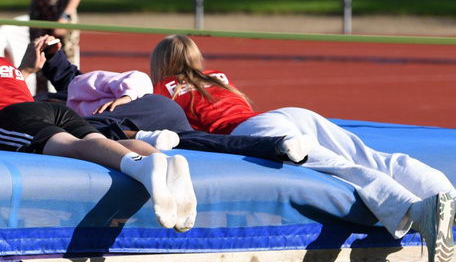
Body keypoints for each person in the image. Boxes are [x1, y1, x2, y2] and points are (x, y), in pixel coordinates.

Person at [150, 34, 456, 262]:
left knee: (341, 169)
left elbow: (170, 123)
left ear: (161, 65)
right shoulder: (216, 76)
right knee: (370, 156)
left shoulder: (165, 89)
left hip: (250, 132)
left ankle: (417, 212)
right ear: (196, 57)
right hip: (287, 115)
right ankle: (441, 191)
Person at [0, 12, 197, 232]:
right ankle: (165, 161)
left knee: (73, 147)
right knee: (98, 141)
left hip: (7, 119)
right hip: (47, 108)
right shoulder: (5, 65)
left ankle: (141, 167)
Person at [19, 35, 313, 163]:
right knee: (198, 140)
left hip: (156, 113)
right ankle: (279, 147)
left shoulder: (163, 85)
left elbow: (131, 80)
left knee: (87, 130)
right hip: (255, 120)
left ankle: (145, 136)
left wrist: (128, 97)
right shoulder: (215, 76)